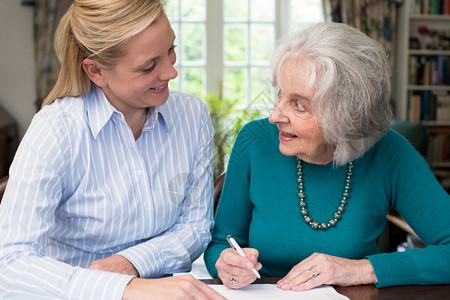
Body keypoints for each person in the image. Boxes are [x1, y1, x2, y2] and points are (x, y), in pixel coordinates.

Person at [0, 0, 224, 299]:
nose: (171, 72)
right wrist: (122, 289)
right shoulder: (56, 130)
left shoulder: (191, 115)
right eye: (148, 66)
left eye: (171, 49)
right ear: (96, 72)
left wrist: (131, 263)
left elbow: (195, 226)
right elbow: (9, 263)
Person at [204, 22, 450, 291]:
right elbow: (220, 244)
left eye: (299, 104)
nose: (275, 115)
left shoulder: (389, 152)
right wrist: (226, 264)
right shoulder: (254, 141)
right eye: (280, 94)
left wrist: (360, 269)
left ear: (347, 115)